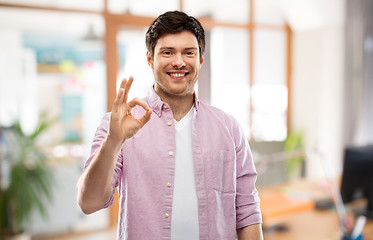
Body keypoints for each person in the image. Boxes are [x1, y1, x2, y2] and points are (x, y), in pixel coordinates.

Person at [77, 10, 263, 240]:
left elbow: (247, 210)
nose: (179, 61)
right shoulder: (116, 126)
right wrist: (114, 141)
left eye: (188, 52)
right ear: (150, 59)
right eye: (167, 52)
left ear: (201, 59)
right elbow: (89, 203)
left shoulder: (229, 128)